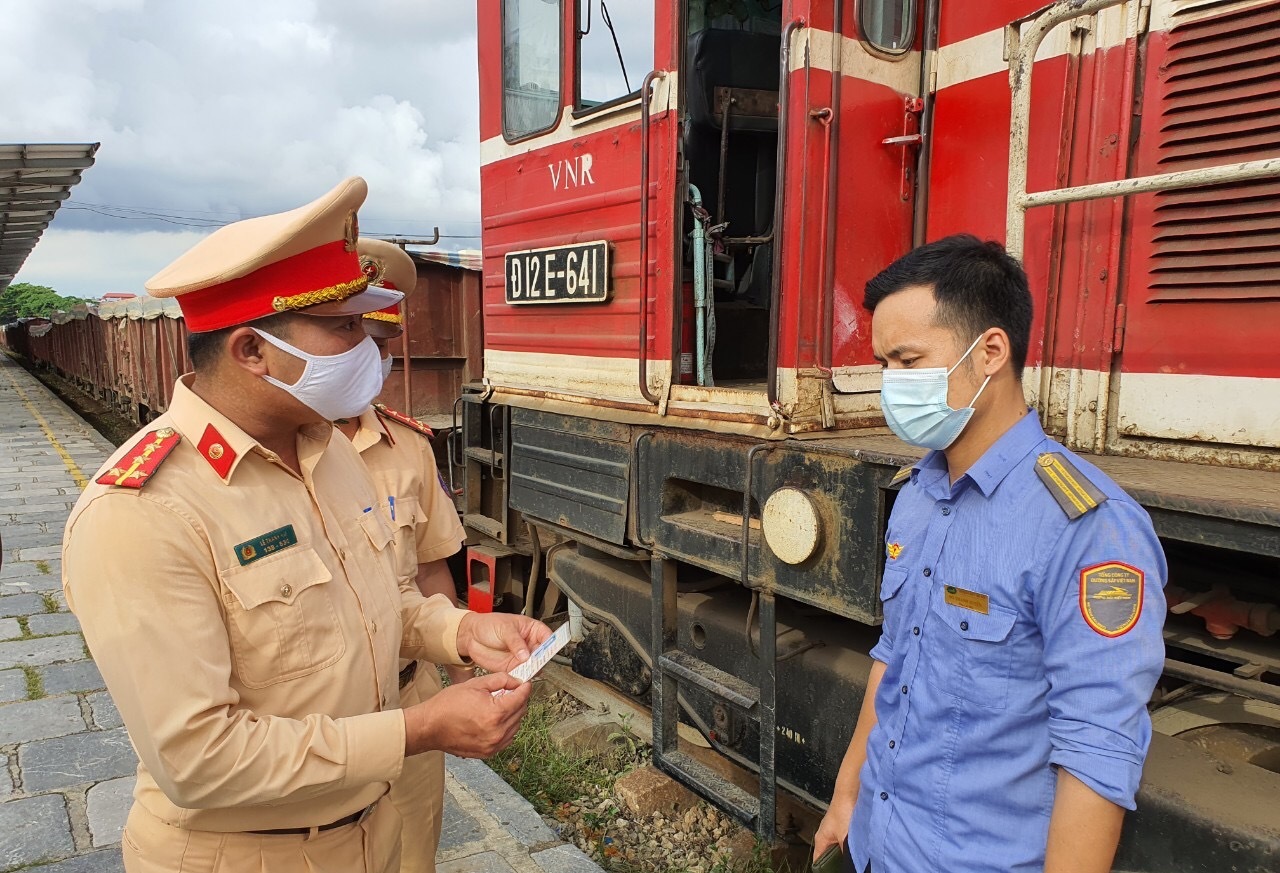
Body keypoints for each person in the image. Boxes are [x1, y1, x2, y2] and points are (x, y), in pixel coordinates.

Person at [63, 177, 550, 873]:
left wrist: (461, 631)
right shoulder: (141, 514)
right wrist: (418, 729)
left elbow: (380, 601)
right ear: (251, 351)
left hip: (370, 833)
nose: (368, 348)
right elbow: (198, 759)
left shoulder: (328, 454)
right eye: (344, 327)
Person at [812, 234, 1167, 873]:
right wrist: (846, 798)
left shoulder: (1087, 527)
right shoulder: (920, 491)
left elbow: (1097, 750)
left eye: (908, 360)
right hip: (879, 847)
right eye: (884, 364)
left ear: (991, 352)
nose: (891, 385)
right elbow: (894, 658)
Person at [337, 237, 468, 873]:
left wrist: (469, 665)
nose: (373, 363)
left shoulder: (409, 448)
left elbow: (430, 569)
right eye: (356, 342)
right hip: (317, 733)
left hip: (411, 697)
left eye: (383, 349)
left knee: (414, 857)